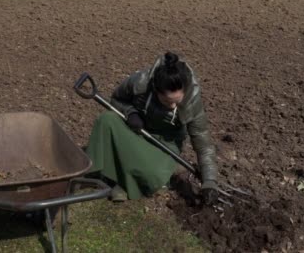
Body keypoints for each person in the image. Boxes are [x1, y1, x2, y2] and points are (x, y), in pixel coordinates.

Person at [85, 52, 219, 205]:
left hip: (165, 145)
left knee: (152, 175)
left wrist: (210, 180)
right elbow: (116, 99)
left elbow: (203, 141)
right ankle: (104, 176)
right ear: (156, 90)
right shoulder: (140, 83)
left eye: (177, 101)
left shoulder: (192, 98)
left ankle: (121, 180)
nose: (173, 106)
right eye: (168, 102)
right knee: (106, 120)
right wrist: (131, 113)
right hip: (138, 131)